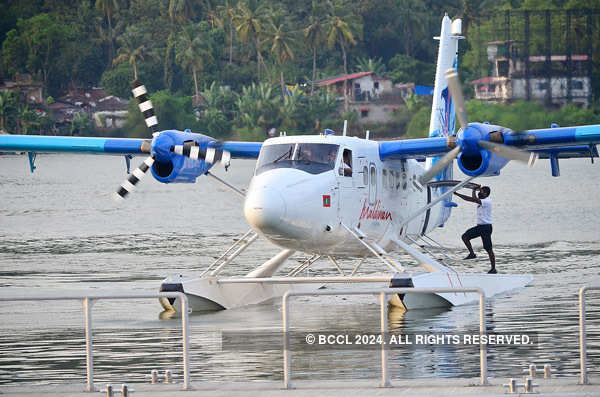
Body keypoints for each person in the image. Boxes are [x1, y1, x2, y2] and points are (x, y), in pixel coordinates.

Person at [454, 186, 496, 274]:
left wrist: (472, 190)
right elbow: (471, 199)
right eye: (479, 192)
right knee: (465, 237)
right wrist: (459, 194)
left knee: (488, 249)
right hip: (480, 227)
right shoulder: (481, 201)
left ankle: (493, 269)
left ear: (486, 194)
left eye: (481, 192)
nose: (479, 193)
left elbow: (472, 199)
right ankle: (472, 254)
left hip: (486, 228)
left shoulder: (487, 201)